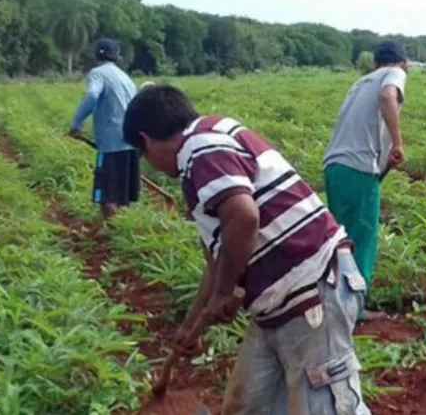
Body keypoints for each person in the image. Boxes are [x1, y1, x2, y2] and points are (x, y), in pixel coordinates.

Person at [123, 84, 371, 415]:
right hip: (276, 308)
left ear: (146, 140)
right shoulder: (205, 148)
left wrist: (225, 292)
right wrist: (193, 323)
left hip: (312, 291)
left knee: (325, 408)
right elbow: (217, 260)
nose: (150, 164)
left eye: (143, 156)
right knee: (247, 406)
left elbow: (243, 217)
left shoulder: (200, 147)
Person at [321, 40, 409, 322]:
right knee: (361, 239)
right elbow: (387, 97)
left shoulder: (360, 83)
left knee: (341, 237)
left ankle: (333, 301)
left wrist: (385, 167)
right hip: (355, 168)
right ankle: (353, 309)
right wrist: (398, 143)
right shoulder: (393, 74)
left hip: (335, 167)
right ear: (403, 63)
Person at [68, 38, 140, 219]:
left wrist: (76, 124)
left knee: (106, 194)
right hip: (131, 141)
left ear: (95, 55)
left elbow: (92, 94)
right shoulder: (125, 77)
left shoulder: (97, 73)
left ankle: (112, 238)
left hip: (111, 143)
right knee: (121, 194)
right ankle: (122, 233)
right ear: (117, 56)